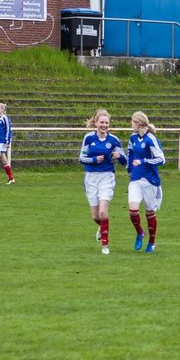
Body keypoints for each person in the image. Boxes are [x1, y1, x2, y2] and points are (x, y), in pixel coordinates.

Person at [79, 108, 126, 254]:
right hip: (91, 178)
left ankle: (105, 245)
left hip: (107, 177)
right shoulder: (88, 138)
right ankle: (103, 227)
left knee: (103, 213)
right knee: (95, 216)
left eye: (106, 122)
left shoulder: (113, 140)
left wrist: (119, 157)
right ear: (96, 123)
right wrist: (94, 159)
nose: (104, 125)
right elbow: (81, 158)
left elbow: (125, 161)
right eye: (101, 122)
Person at [125, 111, 165, 253]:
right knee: (133, 210)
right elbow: (130, 154)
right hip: (136, 179)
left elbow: (161, 159)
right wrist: (129, 169)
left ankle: (151, 241)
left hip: (150, 180)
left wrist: (143, 161)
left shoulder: (150, 139)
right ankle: (140, 232)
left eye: (132, 121)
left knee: (149, 213)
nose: (131, 124)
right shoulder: (133, 138)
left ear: (139, 123)